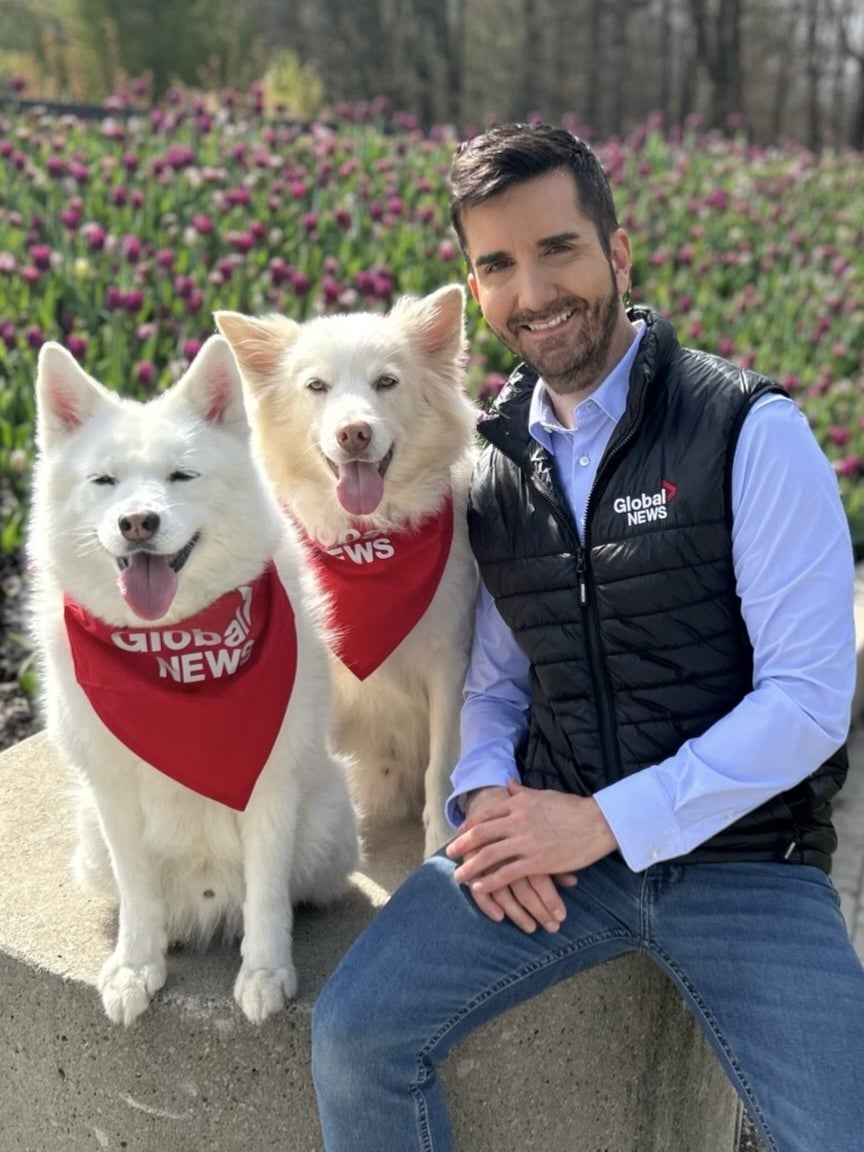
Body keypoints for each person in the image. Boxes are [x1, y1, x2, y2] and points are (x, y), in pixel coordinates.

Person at [311, 123, 864, 1152]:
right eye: (498, 265)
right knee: (354, 1036)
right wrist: (483, 800)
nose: (533, 291)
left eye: (557, 249)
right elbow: (493, 680)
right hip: (556, 856)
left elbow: (810, 703)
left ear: (617, 254)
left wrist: (606, 820)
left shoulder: (749, 431)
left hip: (746, 860)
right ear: (475, 290)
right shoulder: (491, 465)